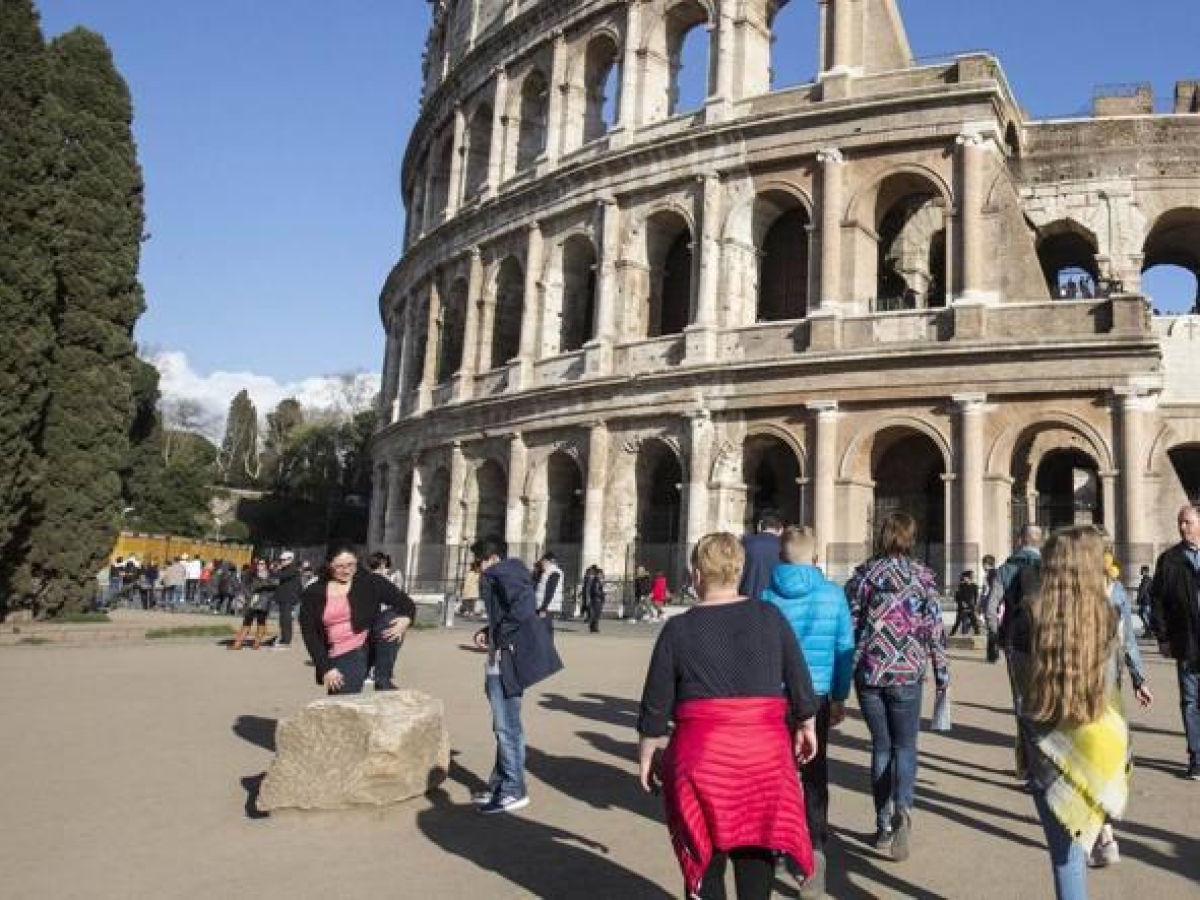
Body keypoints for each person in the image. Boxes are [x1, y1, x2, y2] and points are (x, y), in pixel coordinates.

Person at [638, 532, 819, 900]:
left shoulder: (678, 629)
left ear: (696, 575)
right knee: (757, 847)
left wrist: (646, 753)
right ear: (739, 571)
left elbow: (655, 702)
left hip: (702, 754)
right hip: (763, 753)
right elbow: (799, 678)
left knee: (704, 851)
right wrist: (806, 723)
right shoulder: (769, 616)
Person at [1017, 526, 1131, 900]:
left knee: (1065, 859)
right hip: (1096, 748)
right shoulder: (1107, 616)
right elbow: (1111, 689)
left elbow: (1022, 693)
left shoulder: (1027, 616)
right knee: (1076, 850)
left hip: (1045, 748)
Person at [846, 511, 949, 861]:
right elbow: (935, 631)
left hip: (871, 671)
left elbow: (850, 627)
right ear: (910, 537)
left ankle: (883, 825)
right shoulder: (923, 577)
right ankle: (903, 808)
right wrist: (942, 676)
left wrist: (843, 675)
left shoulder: (864, 576)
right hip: (907, 672)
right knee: (905, 747)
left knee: (881, 748)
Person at [762, 526, 854, 899]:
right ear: (816, 558)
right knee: (815, 772)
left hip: (776, 693)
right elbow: (844, 647)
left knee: (779, 773)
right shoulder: (833, 594)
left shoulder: (766, 595)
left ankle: (778, 846)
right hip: (816, 695)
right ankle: (814, 847)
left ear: (780, 557)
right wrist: (840, 695)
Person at [470, 536, 563, 814]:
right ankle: (500, 784)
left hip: (507, 661)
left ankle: (514, 790)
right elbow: (512, 611)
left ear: (493, 558)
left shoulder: (503, 573)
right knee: (504, 725)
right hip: (502, 657)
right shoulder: (509, 573)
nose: (477, 567)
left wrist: (499, 633)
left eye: (479, 561)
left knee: (507, 727)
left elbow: (523, 609)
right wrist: (491, 630)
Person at [1088, 545, 1154, 868]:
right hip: (1109, 684)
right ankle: (1106, 835)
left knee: (1087, 761)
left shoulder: (1073, 588)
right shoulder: (1115, 591)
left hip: (1081, 686)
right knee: (1103, 756)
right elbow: (1128, 640)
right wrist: (1139, 679)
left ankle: (1101, 835)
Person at [299, 546, 415, 694]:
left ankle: (383, 678)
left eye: (351, 565)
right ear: (329, 564)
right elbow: (310, 634)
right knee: (343, 701)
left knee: (392, 618)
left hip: (369, 642)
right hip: (342, 651)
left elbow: (406, 604)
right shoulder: (313, 592)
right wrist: (326, 668)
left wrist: (407, 619)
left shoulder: (371, 582)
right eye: (340, 566)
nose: (346, 571)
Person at [1149, 504, 1200, 780]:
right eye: (1180, 522)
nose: (1182, 527)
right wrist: (1163, 637)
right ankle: (1197, 758)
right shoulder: (1169, 559)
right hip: (1187, 642)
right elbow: (1157, 601)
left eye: (1187, 522)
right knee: (1190, 701)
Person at [738, 510, 785, 604]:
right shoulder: (785, 547)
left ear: (759, 527)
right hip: (775, 603)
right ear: (781, 530)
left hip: (746, 600)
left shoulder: (744, 544)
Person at [231, 560, 278, 650]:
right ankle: (238, 643)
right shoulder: (250, 574)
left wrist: (266, 588)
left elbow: (274, 586)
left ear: (266, 565)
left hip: (264, 601)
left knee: (261, 621)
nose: (260, 565)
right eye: (258, 563)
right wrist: (249, 595)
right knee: (247, 621)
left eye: (262, 564)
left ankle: (257, 643)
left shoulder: (271, 575)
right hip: (252, 600)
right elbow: (244, 586)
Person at [272, 551, 301, 650]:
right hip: (284, 597)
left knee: (285, 620)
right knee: (283, 619)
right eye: (281, 560)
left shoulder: (292, 569)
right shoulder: (286, 569)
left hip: (288, 598)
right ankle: (284, 639)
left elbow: (280, 575)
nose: (282, 561)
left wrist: (274, 570)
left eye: (283, 560)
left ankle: (286, 641)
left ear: (290, 559)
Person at [979, 555, 1002, 663]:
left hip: (990, 605)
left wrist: (980, 606)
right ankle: (993, 654)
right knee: (993, 630)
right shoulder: (996, 574)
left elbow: (986, 592)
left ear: (986, 564)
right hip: (995, 605)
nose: (982, 566)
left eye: (983, 563)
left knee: (992, 631)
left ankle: (992, 655)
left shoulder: (990, 575)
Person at [950, 571, 980, 636]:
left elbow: (976, 597)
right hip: (962, 607)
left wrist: (975, 607)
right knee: (957, 622)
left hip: (970, 607)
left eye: (965, 577)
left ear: (968, 577)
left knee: (974, 622)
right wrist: (961, 602)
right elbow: (958, 597)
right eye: (964, 577)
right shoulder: (961, 586)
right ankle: (951, 635)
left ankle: (978, 635)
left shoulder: (975, 586)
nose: (964, 578)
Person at [534, 552, 562, 617]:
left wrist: (543, 608)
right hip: (541, 605)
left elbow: (550, 591)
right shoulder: (546, 572)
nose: (542, 563)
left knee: (544, 623)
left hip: (547, 608)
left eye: (543, 561)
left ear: (548, 562)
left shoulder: (554, 573)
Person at [581, 564, 606, 633]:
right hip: (597, 599)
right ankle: (594, 627)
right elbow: (596, 590)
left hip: (596, 598)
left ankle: (594, 627)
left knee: (596, 613)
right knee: (596, 614)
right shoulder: (596, 581)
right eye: (601, 574)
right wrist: (602, 595)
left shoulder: (596, 580)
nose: (602, 575)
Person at [1134, 565, 1154, 635]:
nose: (1140, 571)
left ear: (1145, 571)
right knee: (1142, 614)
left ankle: (1149, 631)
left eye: (1141, 570)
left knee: (1144, 615)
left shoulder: (1146, 580)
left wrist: (1138, 600)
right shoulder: (1146, 579)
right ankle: (1148, 631)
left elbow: (1143, 591)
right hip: (1146, 601)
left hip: (1146, 601)